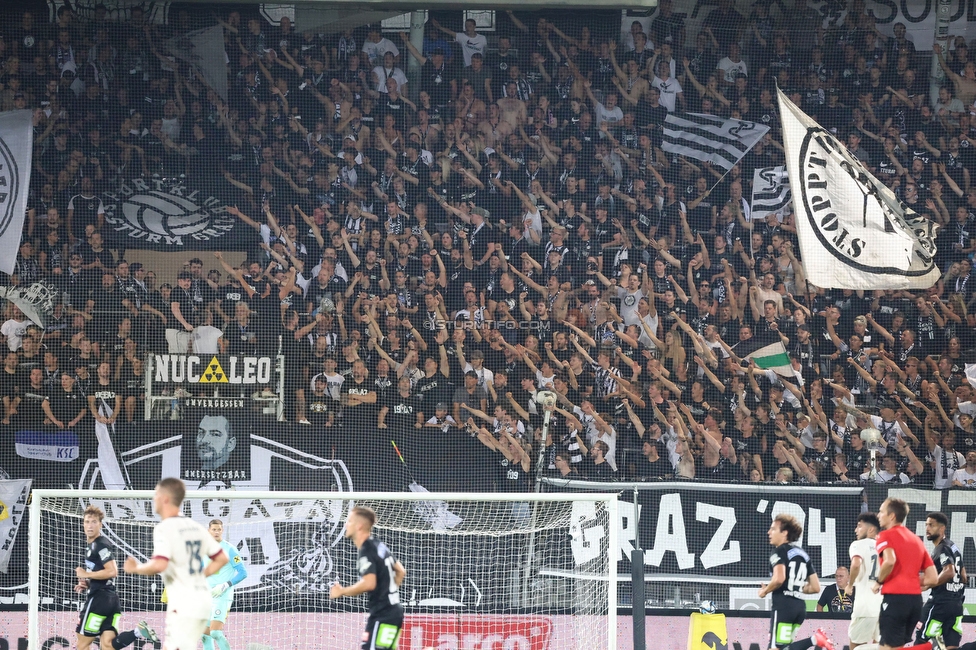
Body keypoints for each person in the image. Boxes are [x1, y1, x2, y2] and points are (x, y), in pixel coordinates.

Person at [123, 478, 229, 650]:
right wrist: (199, 576)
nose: (153, 498)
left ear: (165, 498)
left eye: (156, 494)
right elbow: (221, 558)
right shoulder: (194, 527)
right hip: (201, 599)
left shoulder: (166, 528)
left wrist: (135, 568)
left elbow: (158, 565)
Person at [74, 506, 158, 650]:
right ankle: (137, 632)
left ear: (100, 524)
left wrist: (86, 574)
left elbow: (112, 571)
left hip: (98, 600)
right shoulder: (93, 546)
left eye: (94, 522)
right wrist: (89, 583)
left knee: (82, 645)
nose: (90, 525)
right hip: (111, 599)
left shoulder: (99, 545)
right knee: (107, 646)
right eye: (87, 521)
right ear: (83, 523)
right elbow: (104, 573)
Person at [330, 505, 406, 650]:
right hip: (394, 611)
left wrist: (342, 591)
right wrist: (389, 593)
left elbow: (369, 584)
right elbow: (400, 571)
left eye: (350, 521)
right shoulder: (379, 545)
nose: (346, 524)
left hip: (383, 614)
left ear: (359, 526)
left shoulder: (366, 550)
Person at [757, 514, 834, 650]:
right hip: (799, 608)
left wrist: (765, 591)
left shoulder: (778, 552)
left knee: (776, 648)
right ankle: (815, 639)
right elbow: (816, 587)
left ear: (784, 533)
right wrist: (795, 586)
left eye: (773, 529)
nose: (769, 532)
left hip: (783, 606)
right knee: (784, 648)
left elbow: (779, 579)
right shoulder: (802, 554)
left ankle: (815, 639)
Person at [873, 498, 939, 650]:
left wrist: (879, 581)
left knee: (888, 647)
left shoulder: (885, 535)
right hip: (915, 602)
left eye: (882, 511)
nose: (878, 515)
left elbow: (889, 561)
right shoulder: (916, 540)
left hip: (896, 600)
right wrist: (910, 579)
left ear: (892, 516)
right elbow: (933, 578)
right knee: (890, 647)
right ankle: (929, 647)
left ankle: (928, 647)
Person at [915, 512, 965, 650]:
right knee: (952, 644)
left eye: (931, 525)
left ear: (942, 528)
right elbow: (964, 576)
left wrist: (932, 582)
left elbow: (949, 571)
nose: (927, 528)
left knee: (921, 639)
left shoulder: (941, 548)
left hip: (939, 603)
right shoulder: (954, 547)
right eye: (926, 525)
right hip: (956, 604)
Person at [203, 519, 249, 650]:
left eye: (219, 529)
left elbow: (243, 573)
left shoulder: (230, 549)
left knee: (215, 633)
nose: (216, 532)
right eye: (214, 529)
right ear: (209, 531)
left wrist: (225, 585)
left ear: (222, 530)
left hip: (222, 595)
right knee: (205, 635)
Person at [846, 513, 882, 649]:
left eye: (859, 526)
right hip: (882, 607)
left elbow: (856, 563)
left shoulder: (858, 544)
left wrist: (850, 585)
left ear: (871, 529)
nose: (856, 530)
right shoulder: (884, 548)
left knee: (855, 647)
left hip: (864, 608)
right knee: (879, 646)